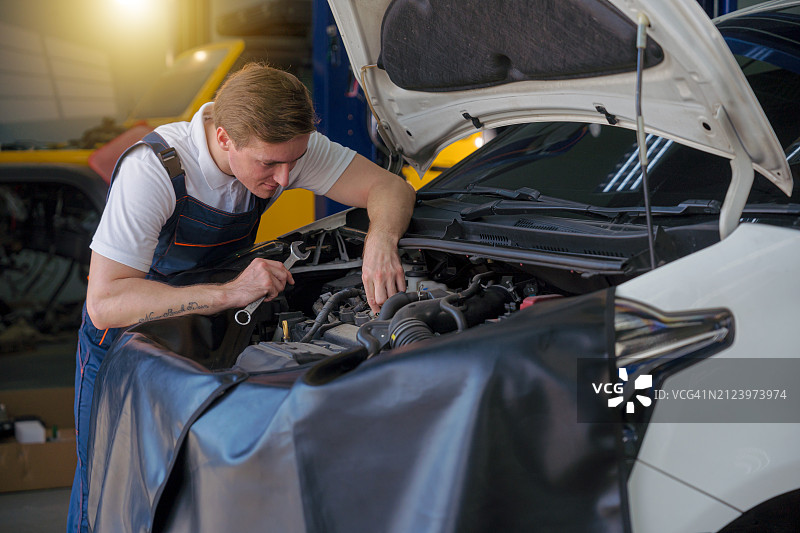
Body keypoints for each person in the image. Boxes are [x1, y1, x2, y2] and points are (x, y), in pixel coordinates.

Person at [67, 63, 416, 532]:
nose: (286, 178)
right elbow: (104, 301)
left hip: (209, 333)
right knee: (108, 492)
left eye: (294, 160)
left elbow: (389, 187)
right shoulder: (156, 169)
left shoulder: (283, 150)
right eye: (270, 165)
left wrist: (379, 243)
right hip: (129, 347)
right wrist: (230, 292)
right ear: (225, 137)